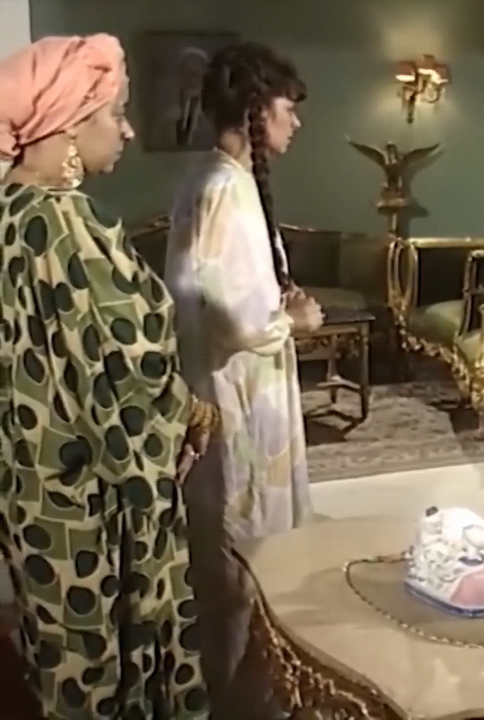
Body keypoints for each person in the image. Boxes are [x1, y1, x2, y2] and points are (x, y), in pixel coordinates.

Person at [0, 34, 218, 718]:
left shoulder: (10, 213)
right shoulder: (66, 224)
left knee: (60, 653)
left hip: (32, 486)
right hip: (86, 497)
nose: (126, 130)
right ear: (69, 125)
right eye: (115, 113)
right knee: (102, 663)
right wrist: (190, 409)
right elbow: (128, 365)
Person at [163, 42, 322, 720]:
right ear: (257, 110)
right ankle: (246, 705)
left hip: (222, 390)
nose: (296, 122)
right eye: (289, 108)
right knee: (245, 560)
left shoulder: (208, 178)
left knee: (228, 564)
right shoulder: (227, 189)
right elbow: (236, 319)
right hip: (239, 403)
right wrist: (295, 320)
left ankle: (239, 696)